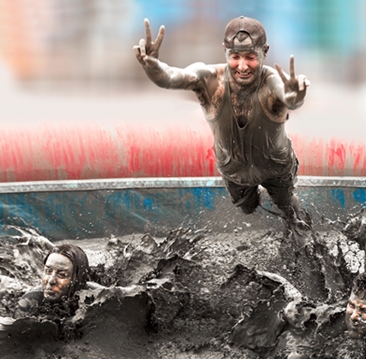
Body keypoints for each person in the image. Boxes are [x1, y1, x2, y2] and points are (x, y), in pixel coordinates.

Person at [133, 16, 310, 228]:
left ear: (265, 51)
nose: (242, 66)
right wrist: (153, 67)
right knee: (247, 207)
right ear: (224, 50)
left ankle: (301, 230)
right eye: (235, 57)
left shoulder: (272, 82)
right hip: (234, 169)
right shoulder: (208, 79)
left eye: (251, 57)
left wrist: (296, 96)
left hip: (276, 166)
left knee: (288, 207)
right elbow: (170, 77)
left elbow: (289, 98)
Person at [15, 243, 94, 318]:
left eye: (62, 275)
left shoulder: (97, 299)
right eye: (48, 271)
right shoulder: (30, 301)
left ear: (78, 279)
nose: (51, 281)